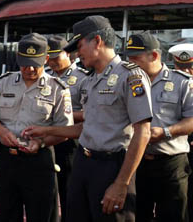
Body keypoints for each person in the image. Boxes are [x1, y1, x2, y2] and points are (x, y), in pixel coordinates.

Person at [23, 15, 153, 222]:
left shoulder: (130, 76)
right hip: (84, 163)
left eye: (80, 45)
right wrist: (46, 130)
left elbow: (143, 132)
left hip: (112, 166)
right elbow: (86, 127)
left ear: (98, 42)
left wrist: (121, 183)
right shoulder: (91, 79)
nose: (76, 52)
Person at [0, 33, 73, 222]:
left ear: (46, 59)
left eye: (36, 63)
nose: (30, 69)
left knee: (42, 215)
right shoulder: (3, 82)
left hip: (39, 161)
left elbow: (64, 130)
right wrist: (3, 132)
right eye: (25, 63)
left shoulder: (58, 88)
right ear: (18, 58)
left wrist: (40, 143)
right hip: (8, 159)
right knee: (6, 214)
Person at [124, 32, 193, 221]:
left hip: (170, 164)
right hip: (137, 163)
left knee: (173, 215)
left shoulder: (181, 82)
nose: (130, 62)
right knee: (137, 214)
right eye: (128, 57)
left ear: (153, 56)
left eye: (135, 58)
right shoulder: (130, 81)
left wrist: (165, 132)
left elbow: (191, 120)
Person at [46, 35, 89, 222]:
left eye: (57, 56)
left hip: (70, 141)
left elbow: (89, 112)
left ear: (69, 55)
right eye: (50, 57)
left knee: (69, 191)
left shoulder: (83, 78)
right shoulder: (45, 76)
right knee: (47, 190)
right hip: (47, 139)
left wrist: (63, 115)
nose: (53, 61)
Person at [169, 43, 193, 222]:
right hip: (178, 149)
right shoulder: (173, 86)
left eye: (190, 67)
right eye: (183, 68)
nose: (189, 71)